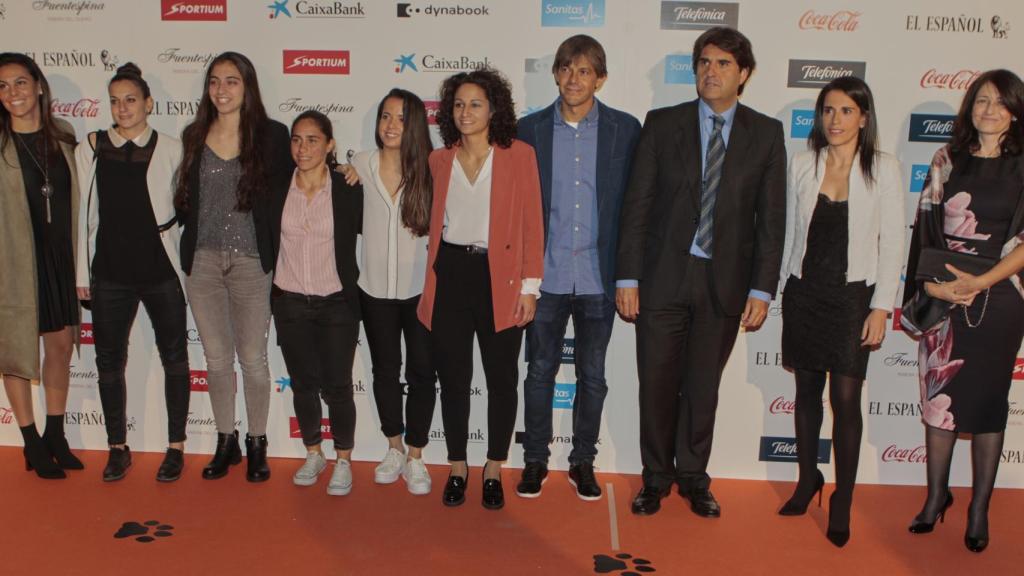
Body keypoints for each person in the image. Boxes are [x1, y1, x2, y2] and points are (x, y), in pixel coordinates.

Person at [616, 27, 786, 517]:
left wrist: (762, 289)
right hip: (662, 279)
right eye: (704, 62)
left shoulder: (765, 134)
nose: (711, 71)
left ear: (744, 74)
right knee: (656, 384)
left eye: (723, 63)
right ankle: (655, 478)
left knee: (702, 387)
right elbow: (637, 205)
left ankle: (693, 477)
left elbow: (771, 220)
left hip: (724, 284)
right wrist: (627, 277)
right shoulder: (662, 123)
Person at [778, 76, 904, 547]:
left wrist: (881, 307)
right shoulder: (802, 162)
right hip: (804, 292)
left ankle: (843, 499)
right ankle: (807, 479)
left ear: (864, 118)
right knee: (806, 393)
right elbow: (790, 233)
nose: (835, 120)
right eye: (828, 110)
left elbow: (893, 243)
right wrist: (780, 289)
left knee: (846, 400)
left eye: (847, 111)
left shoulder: (883, 169)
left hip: (853, 299)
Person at [902, 69, 1024, 553]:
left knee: (989, 406)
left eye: (1000, 102)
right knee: (939, 399)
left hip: (1002, 298)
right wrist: (934, 286)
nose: (989, 110)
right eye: (981, 101)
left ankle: (978, 509)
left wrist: (981, 281)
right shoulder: (946, 159)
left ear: (1015, 112)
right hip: (944, 296)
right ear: (970, 107)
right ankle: (936, 497)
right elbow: (925, 225)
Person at [514, 35, 640, 501]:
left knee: (593, 376)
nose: (573, 78)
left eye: (584, 71)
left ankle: (583, 460)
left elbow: (635, 209)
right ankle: (534, 460)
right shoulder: (528, 130)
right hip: (543, 277)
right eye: (566, 68)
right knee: (539, 372)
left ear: (600, 79)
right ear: (555, 73)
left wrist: (628, 275)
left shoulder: (626, 129)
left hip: (598, 277)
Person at [417, 67, 543, 510]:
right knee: (453, 379)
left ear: (493, 110)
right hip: (451, 274)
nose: (465, 112)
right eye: (458, 104)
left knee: (502, 379)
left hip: (501, 277)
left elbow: (532, 224)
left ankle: (492, 466)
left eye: (475, 104)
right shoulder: (439, 160)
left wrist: (530, 287)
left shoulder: (519, 155)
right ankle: (457, 465)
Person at [174, 51, 293, 482]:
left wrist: (345, 171)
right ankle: (226, 440)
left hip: (251, 262)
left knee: (253, 359)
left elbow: (299, 184)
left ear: (247, 87)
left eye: (231, 81)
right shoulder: (193, 134)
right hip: (202, 262)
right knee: (217, 360)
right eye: (214, 81)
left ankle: (257, 441)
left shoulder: (272, 136)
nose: (221, 90)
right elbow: (186, 197)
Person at [75, 63, 190, 482]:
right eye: (115, 101)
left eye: (130, 100)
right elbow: (84, 217)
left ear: (148, 103)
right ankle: (117, 448)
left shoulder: (172, 148)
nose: (122, 108)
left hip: (161, 270)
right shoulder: (91, 146)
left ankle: (176, 447)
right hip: (109, 271)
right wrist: (81, 273)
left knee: (175, 357)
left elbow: (184, 213)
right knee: (108, 361)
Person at [264, 111, 362, 495]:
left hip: (336, 302)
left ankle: (343, 459)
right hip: (289, 301)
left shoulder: (348, 188)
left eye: (312, 140)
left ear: (330, 145)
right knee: (303, 385)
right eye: (296, 139)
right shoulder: (276, 188)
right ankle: (313, 452)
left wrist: (353, 171)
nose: (302, 148)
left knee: (338, 387)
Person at [0, 52, 82, 479]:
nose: (12, 93)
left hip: (59, 257)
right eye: (2, 86)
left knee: (61, 346)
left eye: (19, 82)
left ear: (37, 86)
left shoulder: (64, 135)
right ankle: (31, 442)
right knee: (16, 352)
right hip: (13, 263)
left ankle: (56, 435)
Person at [350, 89, 436, 495]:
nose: (391, 125)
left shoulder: (432, 170)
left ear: (415, 123)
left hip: (420, 291)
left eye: (401, 118)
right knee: (385, 370)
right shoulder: (360, 164)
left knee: (421, 372)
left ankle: (416, 455)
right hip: (374, 291)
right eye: (385, 116)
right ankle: (394, 447)